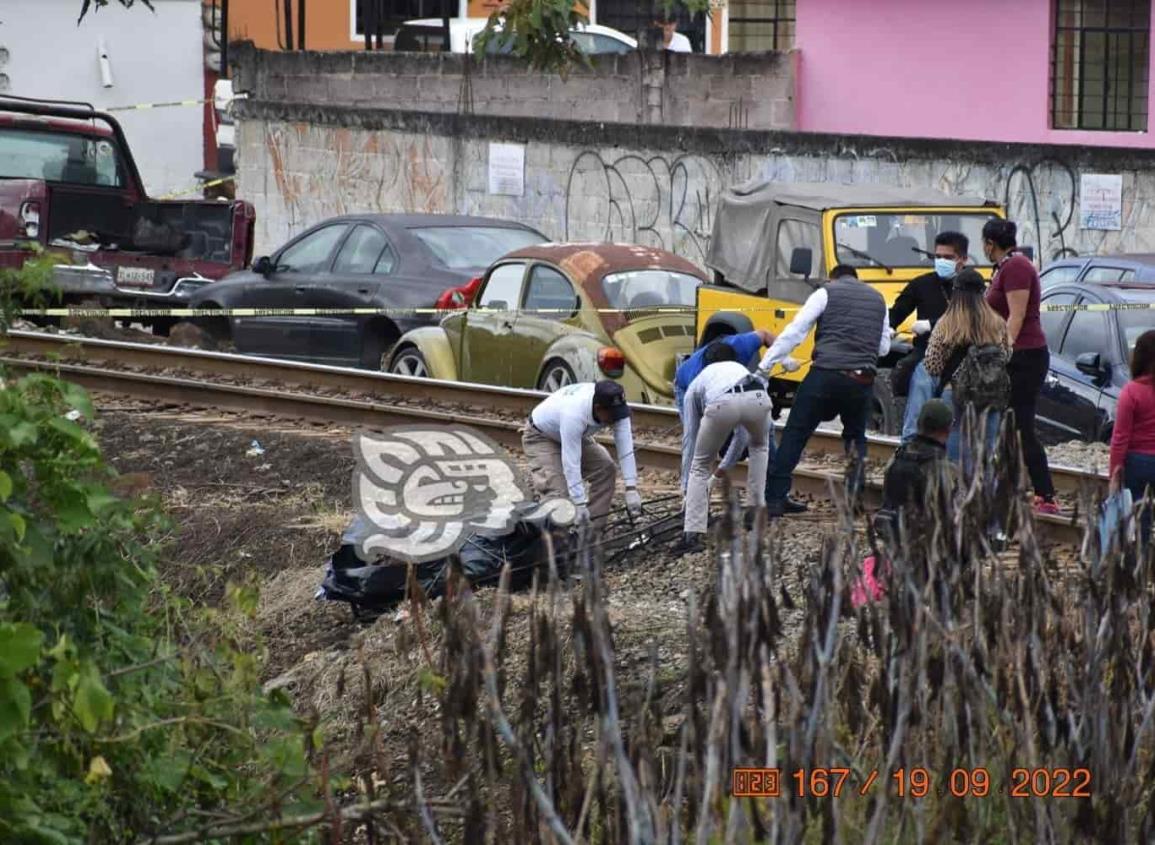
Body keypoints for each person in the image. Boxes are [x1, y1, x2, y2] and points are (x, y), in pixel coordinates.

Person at [758, 264, 893, 516]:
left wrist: (766, 366)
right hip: (862, 381)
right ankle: (854, 499)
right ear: (856, 278)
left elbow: (794, 333)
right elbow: (883, 348)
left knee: (796, 432)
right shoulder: (879, 300)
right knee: (856, 439)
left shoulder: (825, 293)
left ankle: (775, 498)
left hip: (826, 375)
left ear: (833, 278)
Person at [981, 219, 1058, 514]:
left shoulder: (1016, 267)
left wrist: (1004, 352)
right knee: (1009, 426)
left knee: (1021, 425)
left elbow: (1016, 316)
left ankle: (1046, 495)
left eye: (984, 244)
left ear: (990, 243)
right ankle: (1009, 489)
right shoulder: (1005, 267)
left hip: (1024, 356)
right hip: (1018, 355)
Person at [673, 345, 774, 554]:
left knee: (700, 465)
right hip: (758, 396)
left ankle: (692, 534)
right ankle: (755, 512)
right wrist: (721, 472)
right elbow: (741, 439)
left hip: (722, 401)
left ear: (707, 362)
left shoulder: (698, 381)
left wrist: (687, 491)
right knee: (759, 449)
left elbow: (690, 439)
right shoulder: (742, 371)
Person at [521, 380, 642, 526]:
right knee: (558, 496)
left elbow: (626, 447)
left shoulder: (618, 411)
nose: (616, 418)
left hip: (571, 434)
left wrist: (631, 488)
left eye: (619, 413)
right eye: (612, 415)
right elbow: (571, 463)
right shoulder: (574, 413)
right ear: (598, 409)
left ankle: (592, 534)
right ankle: (552, 543)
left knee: (605, 468)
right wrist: (579, 504)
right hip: (541, 435)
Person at [922, 268, 1010, 468]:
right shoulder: (997, 323)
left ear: (956, 292)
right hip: (990, 393)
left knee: (954, 445)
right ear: (983, 293)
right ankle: (984, 494)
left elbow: (932, 365)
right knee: (986, 453)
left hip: (954, 392)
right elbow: (1006, 356)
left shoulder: (946, 323)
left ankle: (957, 491)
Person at [890, 231, 969, 442]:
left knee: (950, 418)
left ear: (962, 259)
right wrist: (887, 327)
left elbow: (969, 321)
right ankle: (909, 449)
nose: (942, 261)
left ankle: (947, 462)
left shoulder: (971, 286)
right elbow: (897, 311)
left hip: (959, 361)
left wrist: (932, 325)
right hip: (927, 356)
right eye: (938, 256)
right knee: (918, 403)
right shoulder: (922, 284)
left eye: (948, 257)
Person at [875, 398, 954, 544]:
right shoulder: (939, 466)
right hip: (922, 544)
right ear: (947, 429)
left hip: (892, 534)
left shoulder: (898, 455)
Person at [1110, 329, 1155, 542]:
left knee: (1140, 519)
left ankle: (1140, 562)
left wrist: (1115, 472)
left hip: (1138, 463)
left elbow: (1120, 437)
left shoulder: (1131, 392)